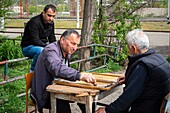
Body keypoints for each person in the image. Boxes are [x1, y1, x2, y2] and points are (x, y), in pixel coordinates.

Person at [95, 29, 170, 113]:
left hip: (145, 108)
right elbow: (149, 81)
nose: (128, 51)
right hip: (157, 105)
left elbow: (128, 97)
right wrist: (131, 78)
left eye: (128, 48)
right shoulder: (158, 57)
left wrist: (107, 110)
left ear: (134, 48)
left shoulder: (142, 66)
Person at [30, 29, 96, 113]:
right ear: (62, 40)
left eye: (77, 45)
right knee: (63, 106)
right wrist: (79, 75)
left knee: (86, 96)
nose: (75, 48)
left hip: (58, 87)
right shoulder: (51, 50)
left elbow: (64, 71)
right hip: (44, 93)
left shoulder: (66, 52)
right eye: (72, 43)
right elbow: (57, 68)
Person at [21, 4, 57, 72]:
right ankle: (33, 71)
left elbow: (52, 37)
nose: (51, 18)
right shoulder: (34, 22)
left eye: (53, 16)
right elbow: (35, 40)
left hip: (42, 46)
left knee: (55, 50)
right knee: (41, 50)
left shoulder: (51, 23)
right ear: (43, 13)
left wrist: (56, 47)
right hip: (28, 47)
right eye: (49, 15)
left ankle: (53, 70)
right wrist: (49, 46)